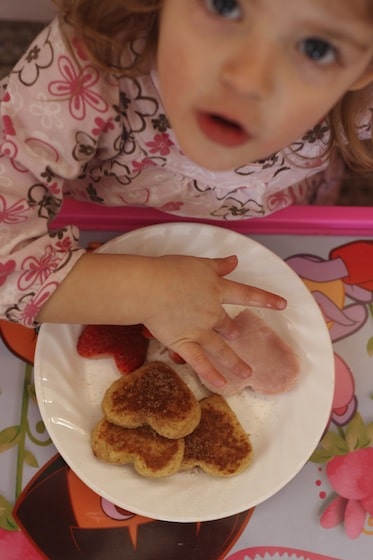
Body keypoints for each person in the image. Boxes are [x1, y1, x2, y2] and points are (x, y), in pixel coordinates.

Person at [1, 0, 373, 388]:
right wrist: (150, 292)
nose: (248, 80)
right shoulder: (87, 61)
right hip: (103, 228)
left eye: (317, 48)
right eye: (224, 6)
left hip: (284, 220)